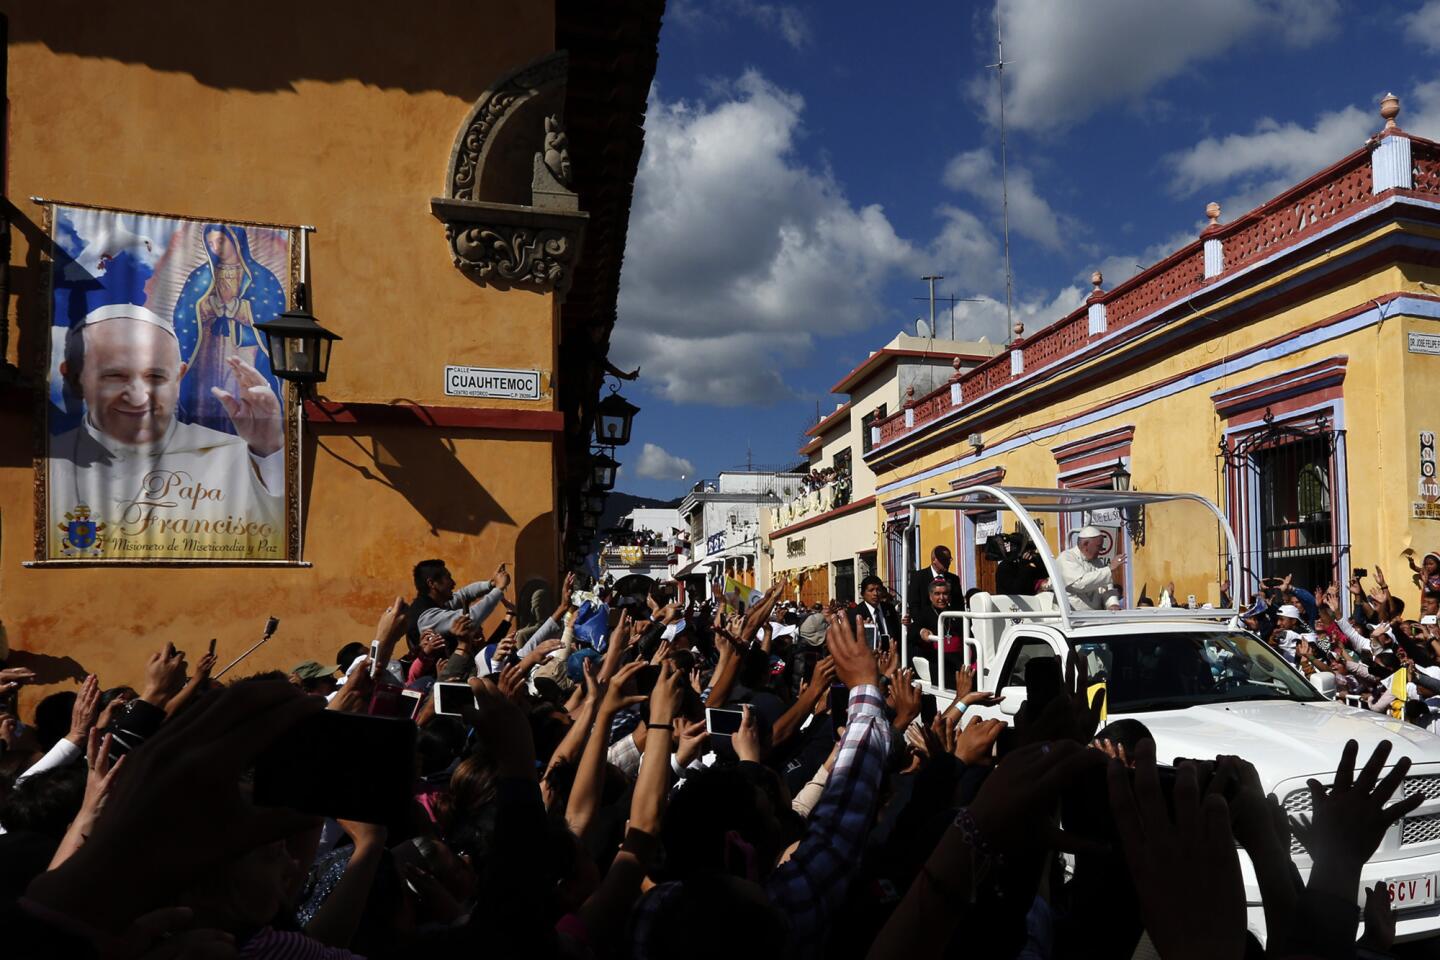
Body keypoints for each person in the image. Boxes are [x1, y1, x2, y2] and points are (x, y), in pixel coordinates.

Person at [48, 303, 285, 556]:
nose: (139, 398)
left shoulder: (230, 455)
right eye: (115, 376)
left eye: (155, 377)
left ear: (179, 377)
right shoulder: (48, 462)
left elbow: (277, 542)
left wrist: (269, 448)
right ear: (74, 378)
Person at [1046, 526, 1123, 610]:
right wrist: (1109, 569)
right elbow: (1080, 584)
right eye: (1098, 546)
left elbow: (1106, 588)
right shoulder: (1066, 558)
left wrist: (1112, 604)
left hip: (1094, 618)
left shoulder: (1098, 562)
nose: (1101, 550)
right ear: (1085, 544)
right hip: (1069, 619)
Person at [904, 577, 961, 680]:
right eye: (937, 594)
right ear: (930, 597)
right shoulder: (924, 613)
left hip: (957, 660)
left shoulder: (955, 613)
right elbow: (913, 631)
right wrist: (922, 632)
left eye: (945, 593)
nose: (942, 598)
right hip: (936, 661)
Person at [906, 545, 961, 614]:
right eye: (944, 559)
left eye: (949, 559)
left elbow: (959, 605)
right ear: (934, 560)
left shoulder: (954, 579)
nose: (948, 562)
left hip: (949, 621)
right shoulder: (918, 577)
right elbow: (914, 605)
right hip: (925, 623)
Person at [853, 575, 900, 649]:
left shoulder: (889, 608)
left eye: (878, 590)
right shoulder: (855, 614)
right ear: (862, 594)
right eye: (871, 590)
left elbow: (897, 633)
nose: (875, 593)